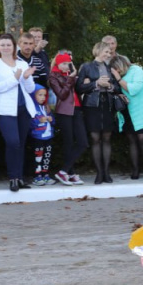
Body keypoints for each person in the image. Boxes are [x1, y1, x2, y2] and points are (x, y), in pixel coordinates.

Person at [0, 33, 37, 192]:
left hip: (23, 108)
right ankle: (13, 177)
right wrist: (15, 79)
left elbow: (30, 89)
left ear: (14, 46)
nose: (6, 47)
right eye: (2, 45)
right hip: (5, 109)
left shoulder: (21, 63)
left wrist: (27, 77)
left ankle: (19, 177)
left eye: (9, 44)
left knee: (21, 144)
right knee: (12, 142)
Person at [75, 41, 120, 184]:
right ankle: (99, 173)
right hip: (92, 105)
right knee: (95, 138)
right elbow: (79, 87)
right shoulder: (86, 67)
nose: (109, 54)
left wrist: (110, 86)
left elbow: (118, 87)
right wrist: (96, 83)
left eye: (109, 52)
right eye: (106, 52)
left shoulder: (110, 67)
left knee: (107, 138)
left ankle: (106, 172)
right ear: (98, 51)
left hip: (107, 104)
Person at [110, 54, 143, 179]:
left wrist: (119, 79)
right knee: (132, 141)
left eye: (117, 68)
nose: (117, 71)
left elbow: (134, 89)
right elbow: (114, 89)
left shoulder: (136, 70)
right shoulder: (117, 74)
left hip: (141, 111)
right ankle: (135, 170)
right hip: (126, 112)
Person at [48, 52, 86, 186]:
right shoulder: (53, 76)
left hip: (77, 109)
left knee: (83, 142)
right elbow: (62, 95)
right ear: (58, 63)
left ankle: (64, 172)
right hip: (64, 111)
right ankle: (69, 173)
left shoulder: (71, 74)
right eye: (63, 63)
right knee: (68, 143)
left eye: (68, 63)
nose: (66, 66)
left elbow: (78, 90)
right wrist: (71, 79)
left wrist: (77, 79)